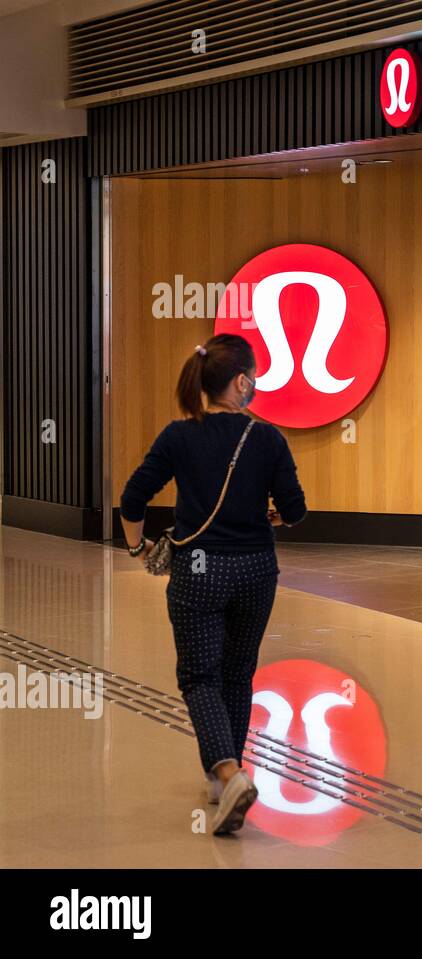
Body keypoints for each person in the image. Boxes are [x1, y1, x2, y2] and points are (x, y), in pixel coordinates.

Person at [120, 333, 307, 835]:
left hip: (199, 567)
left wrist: (138, 549)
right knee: (238, 675)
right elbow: (295, 510)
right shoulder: (268, 438)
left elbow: (133, 497)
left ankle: (227, 771)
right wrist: (268, 516)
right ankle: (226, 781)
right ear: (242, 381)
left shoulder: (180, 436)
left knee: (199, 678)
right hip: (255, 571)